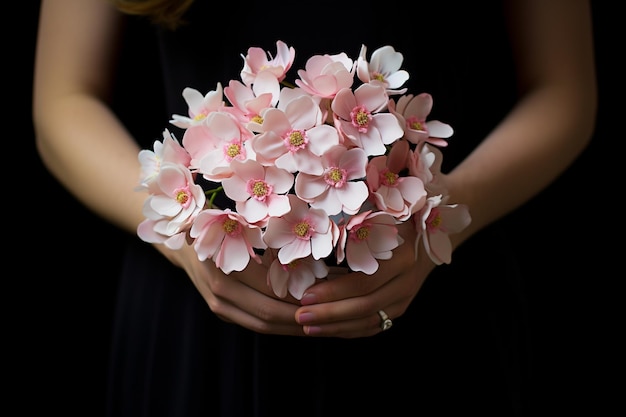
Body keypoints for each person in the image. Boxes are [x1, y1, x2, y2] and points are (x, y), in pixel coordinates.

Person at [32, 0, 597, 415]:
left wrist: (443, 213)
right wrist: (180, 238)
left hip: (433, 306)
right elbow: (62, 100)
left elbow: (564, 91)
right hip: (201, 308)